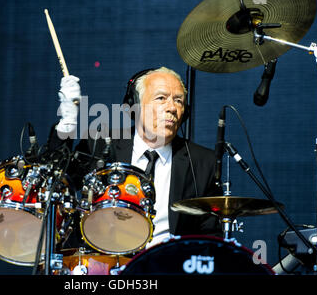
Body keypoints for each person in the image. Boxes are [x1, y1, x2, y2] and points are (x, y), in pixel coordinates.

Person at [50, 67, 223, 251]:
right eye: (161, 98)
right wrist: (66, 123)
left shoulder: (204, 162)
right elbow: (58, 177)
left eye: (178, 101)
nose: (172, 108)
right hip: (104, 263)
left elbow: (211, 236)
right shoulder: (101, 144)